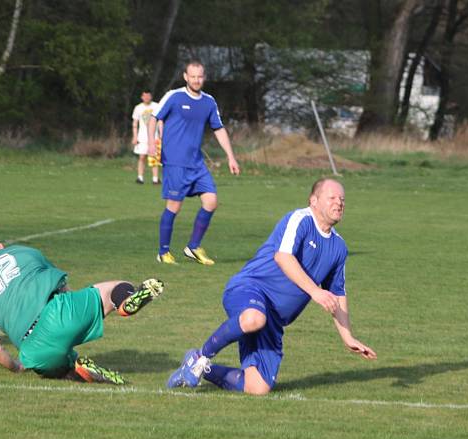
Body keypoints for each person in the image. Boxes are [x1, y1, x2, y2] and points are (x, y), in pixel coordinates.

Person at [166, 178, 376, 395]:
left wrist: (348, 337)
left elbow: (337, 294)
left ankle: (196, 365)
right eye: (332, 197)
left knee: (258, 387)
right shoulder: (300, 219)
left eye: (342, 199)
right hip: (250, 289)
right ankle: (201, 357)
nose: (339, 203)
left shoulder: (339, 247)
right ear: (314, 200)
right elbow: (283, 257)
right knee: (254, 318)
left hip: (274, 320)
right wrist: (315, 291)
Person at [0, 236, 164, 384]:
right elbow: (62, 285)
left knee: (52, 366)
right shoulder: (22, 251)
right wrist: (78, 314)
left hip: (32, 349)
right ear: (0, 247)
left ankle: (77, 369)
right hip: (59, 311)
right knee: (114, 289)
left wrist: (18, 367)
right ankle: (124, 302)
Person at [146, 59, 240, 266]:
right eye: (193, 76)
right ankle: (163, 252)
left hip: (197, 163)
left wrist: (231, 157)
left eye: (200, 76)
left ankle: (193, 247)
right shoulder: (174, 97)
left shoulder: (209, 102)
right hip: (175, 162)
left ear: (203, 78)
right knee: (174, 206)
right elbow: (153, 118)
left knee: (211, 201)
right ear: (186, 77)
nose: (197, 80)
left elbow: (219, 129)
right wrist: (152, 142)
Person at [131, 90, 162, 185]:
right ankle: (140, 178)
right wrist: (135, 136)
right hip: (142, 137)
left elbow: (160, 121)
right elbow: (135, 123)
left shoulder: (156, 106)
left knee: (154, 158)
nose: (147, 98)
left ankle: (155, 179)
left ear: (151, 97)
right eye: (145, 96)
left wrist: (161, 134)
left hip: (154, 137)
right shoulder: (138, 108)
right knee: (142, 157)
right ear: (142, 97)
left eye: (148, 96)